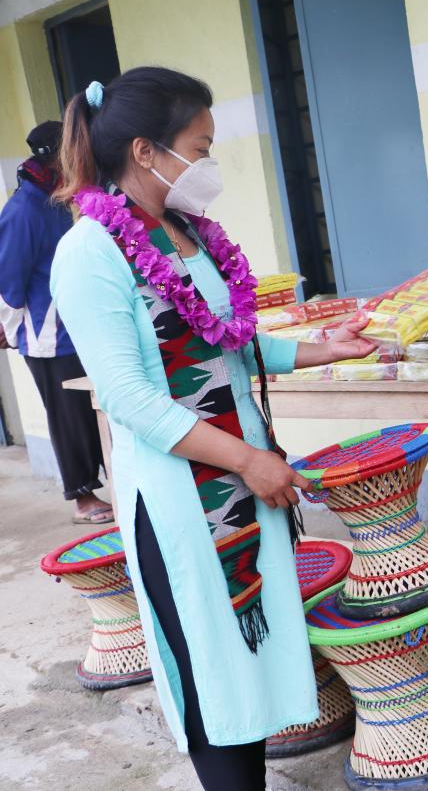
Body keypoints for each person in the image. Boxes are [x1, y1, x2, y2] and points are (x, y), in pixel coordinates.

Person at [50, 67, 375, 790]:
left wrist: (326, 349)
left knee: (252, 667)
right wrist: (248, 461)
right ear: (145, 151)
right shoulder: (90, 252)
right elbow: (129, 398)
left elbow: (230, 342)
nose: (207, 163)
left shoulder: (185, 232)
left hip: (241, 483)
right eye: (199, 148)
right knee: (213, 677)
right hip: (182, 502)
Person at [0, 121, 113, 523]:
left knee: (94, 410)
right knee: (69, 417)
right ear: (55, 159)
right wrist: (10, 330)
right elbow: (9, 280)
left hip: (77, 326)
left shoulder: (58, 199)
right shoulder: (24, 210)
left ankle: (112, 484)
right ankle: (82, 499)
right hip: (47, 336)